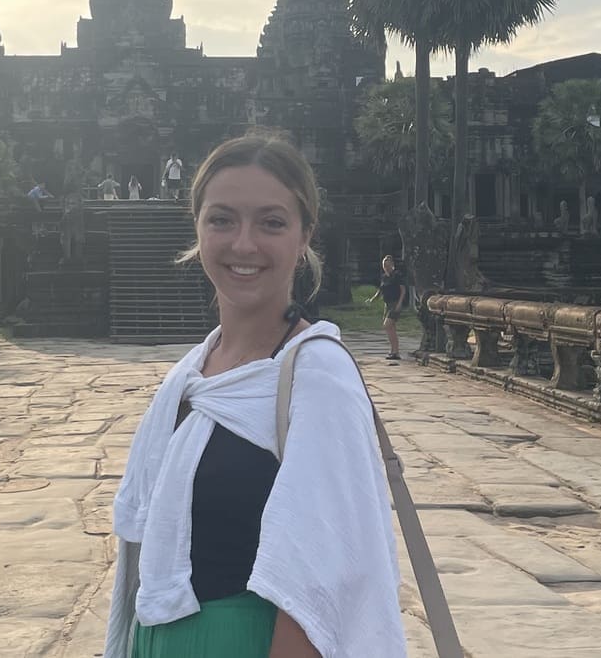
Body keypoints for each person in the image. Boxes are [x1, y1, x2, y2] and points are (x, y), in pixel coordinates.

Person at [106, 134, 403, 658]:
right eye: (222, 219)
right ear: (197, 226)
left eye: (271, 222)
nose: (244, 244)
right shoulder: (188, 377)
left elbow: (322, 590)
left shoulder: (318, 376)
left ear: (305, 234)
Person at [366, 254, 407, 361]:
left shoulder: (397, 275)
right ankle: (394, 351)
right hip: (387, 304)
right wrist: (372, 299)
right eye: (384, 265)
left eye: (388, 265)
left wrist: (399, 303)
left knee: (387, 325)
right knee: (391, 329)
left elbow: (403, 290)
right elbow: (380, 291)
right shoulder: (384, 277)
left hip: (395, 303)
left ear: (392, 265)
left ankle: (395, 351)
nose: (386, 267)